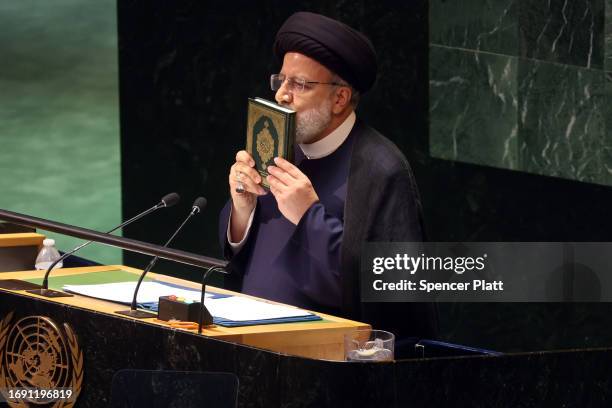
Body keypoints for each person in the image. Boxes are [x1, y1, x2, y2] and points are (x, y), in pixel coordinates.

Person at [219, 11, 437, 341]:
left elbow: (393, 288)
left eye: (300, 85)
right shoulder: (278, 141)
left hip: (327, 363)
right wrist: (242, 210)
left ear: (339, 98)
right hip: (248, 345)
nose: (282, 95)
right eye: (280, 81)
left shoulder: (381, 168)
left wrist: (309, 216)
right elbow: (240, 256)